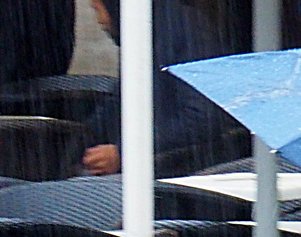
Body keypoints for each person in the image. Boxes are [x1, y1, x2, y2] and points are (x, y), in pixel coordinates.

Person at [80, 0, 233, 175]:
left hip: (185, 171)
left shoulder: (181, 32)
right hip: (157, 161)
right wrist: (80, 136)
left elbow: (203, 118)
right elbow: (122, 100)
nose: (99, 20)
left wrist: (126, 152)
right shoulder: (146, 31)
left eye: (97, 10)